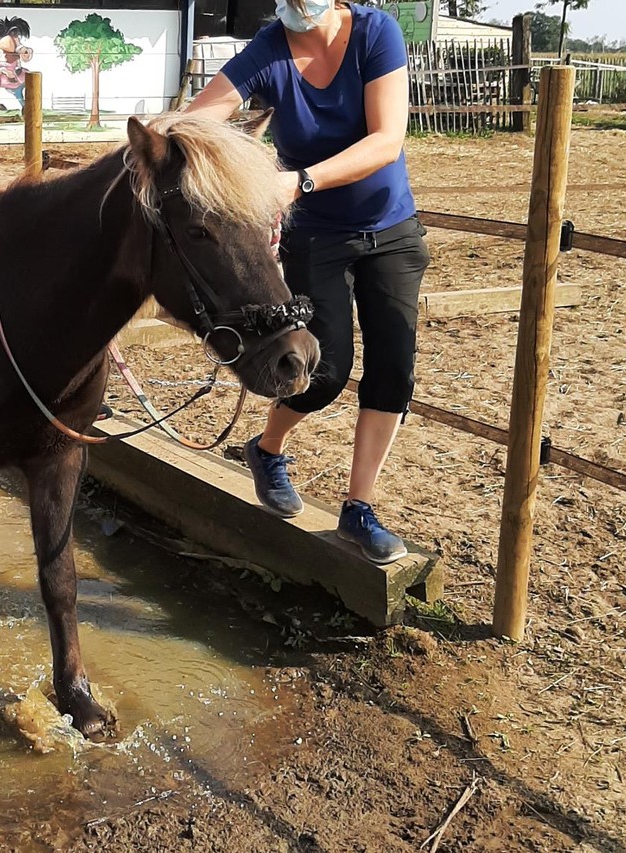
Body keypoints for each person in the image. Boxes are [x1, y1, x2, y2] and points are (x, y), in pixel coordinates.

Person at [187, 0, 429, 564]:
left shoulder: (376, 33)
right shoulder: (269, 49)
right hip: (319, 238)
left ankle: (359, 509)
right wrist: (144, 149)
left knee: (393, 371)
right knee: (324, 370)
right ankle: (269, 450)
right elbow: (196, 122)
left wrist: (300, 181)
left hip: (390, 229)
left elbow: (387, 139)